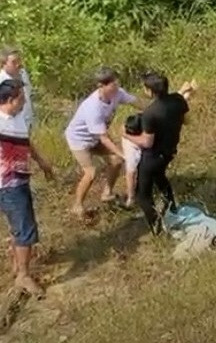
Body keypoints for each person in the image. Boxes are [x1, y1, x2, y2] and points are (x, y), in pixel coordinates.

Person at [0, 79, 54, 297]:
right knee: (25, 229)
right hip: (8, 185)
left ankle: (17, 266)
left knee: (18, 226)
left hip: (19, 180)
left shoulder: (17, 118)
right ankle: (23, 275)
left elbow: (25, 141)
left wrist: (41, 161)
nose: (25, 101)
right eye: (22, 97)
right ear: (11, 100)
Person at [65, 67, 141, 219]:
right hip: (80, 140)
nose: (116, 86)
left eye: (116, 82)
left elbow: (137, 102)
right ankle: (77, 205)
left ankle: (107, 193)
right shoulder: (93, 107)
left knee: (116, 161)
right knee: (90, 172)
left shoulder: (117, 93)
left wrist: (156, 111)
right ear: (102, 86)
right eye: (112, 84)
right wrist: (123, 153)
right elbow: (104, 138)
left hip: (96, 137)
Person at [122, 72, 190, 234]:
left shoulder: (150, 113)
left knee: (142, 195)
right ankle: (172, 207)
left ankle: (156, 226)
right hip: (169, 151)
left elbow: (147, 142)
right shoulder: (178, 100)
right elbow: (186, 120)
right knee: (160, 177)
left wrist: (127, 135)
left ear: (150, 91)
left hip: (152, 157)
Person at [0, 47, 35, 132]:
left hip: (26, 124)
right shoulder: (2, 81)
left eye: (19, 61)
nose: (18, 64)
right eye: (13, 62)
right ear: (4, 63)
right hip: (8, 128)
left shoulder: (23, 75)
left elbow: (28, 97)